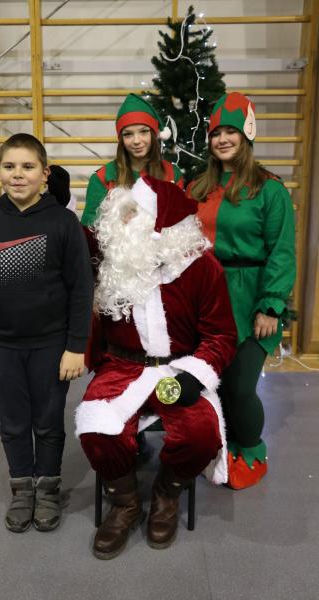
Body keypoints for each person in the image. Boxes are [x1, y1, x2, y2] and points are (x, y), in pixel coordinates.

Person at [75, 175, 237, 559]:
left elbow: (221, 335)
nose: (124, 221)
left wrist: (195, 377)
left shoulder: (202, 268)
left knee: (200, 434)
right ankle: (126, 502)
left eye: (134, 213)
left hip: (179, 369)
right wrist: (58, 207)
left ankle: (167, 493)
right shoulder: (114, 257)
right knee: (96, 427)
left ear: (163, 227)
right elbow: (73, 242)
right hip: (122, 366)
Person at [0, 133, 94, 533]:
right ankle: (22, 489)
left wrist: (76, 346)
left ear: (45, 174)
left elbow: (81, 289)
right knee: (13, 422)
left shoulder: (63, 223)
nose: (18, 174)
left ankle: (47, 489)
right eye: (9, 166)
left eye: (28, 166)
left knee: (48, 422)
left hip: (51, 345)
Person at [187, 92, 296, 489]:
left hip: (251, 297)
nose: (223, 139)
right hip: (206, 296)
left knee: (240, 384)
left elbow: (282, 250)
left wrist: (271, 304)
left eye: (231, 132)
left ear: (246, 135)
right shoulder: (198, 188)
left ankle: (250, 451)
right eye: (217, 133)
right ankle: (220, 444)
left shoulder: (269, 190)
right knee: (212, 382)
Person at [80, 93, 184, 227]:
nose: (136, 141)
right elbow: (89, 229)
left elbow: (180, 224)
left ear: (154, 135)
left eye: (143, 131)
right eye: (128, 134)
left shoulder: (172, 173)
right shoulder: (102, 178)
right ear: (121, 139)